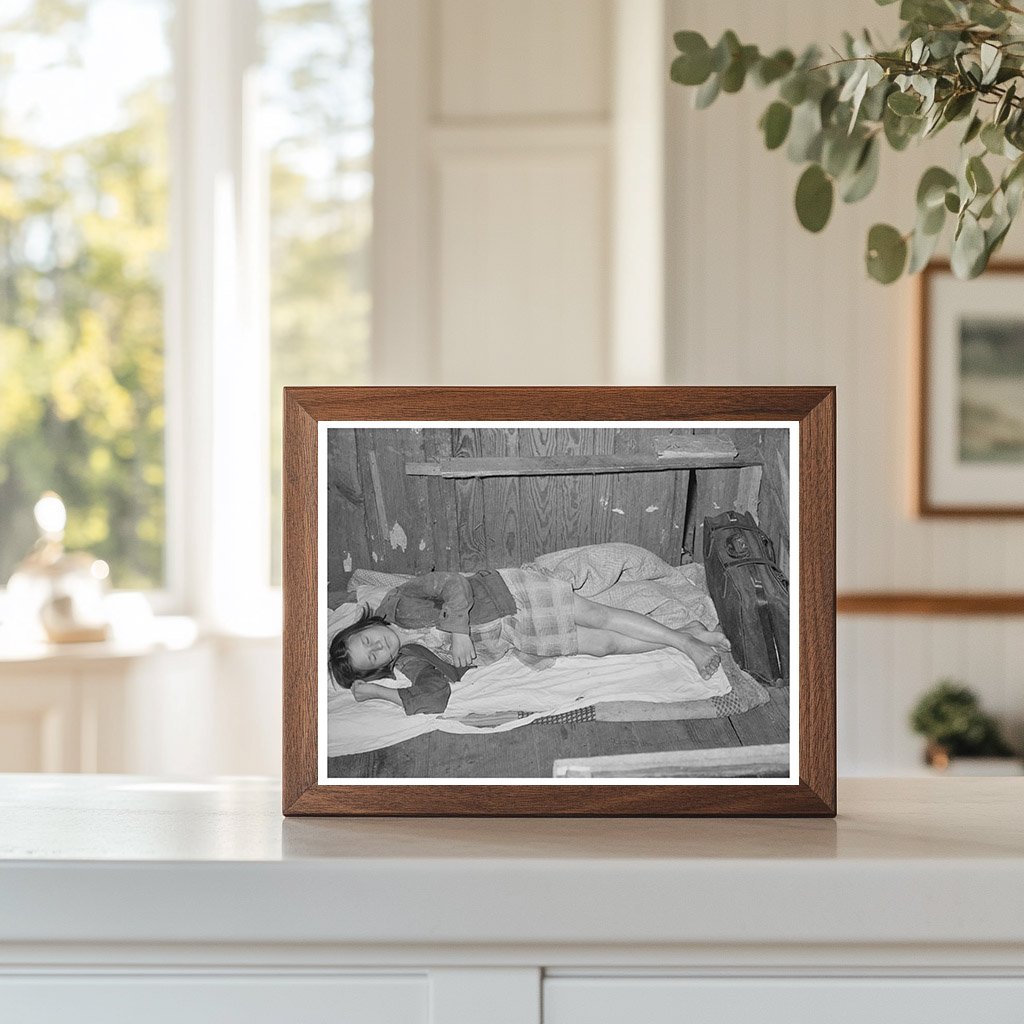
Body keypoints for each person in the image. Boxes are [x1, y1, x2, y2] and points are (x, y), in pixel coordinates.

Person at [328, 562, 730, 716]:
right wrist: (375, 692)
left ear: (364, 627)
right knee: (603, 646)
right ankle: (688, 634)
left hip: (512, 595)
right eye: (371, 659)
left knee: (599, 615)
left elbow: (453, 584)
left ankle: (687, 644)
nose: (376, 648)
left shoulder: (399, 600)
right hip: (519, 636)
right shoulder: (409, 661)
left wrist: (458, 631)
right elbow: (433, 698)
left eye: (366, 642)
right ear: (380, 668)